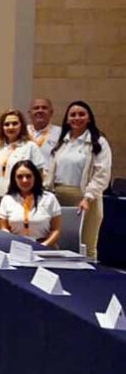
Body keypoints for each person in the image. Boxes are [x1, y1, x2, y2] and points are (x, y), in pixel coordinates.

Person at [46, 101, 112, 259]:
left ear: (89, 118)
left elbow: (101, 173)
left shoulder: (99, 142)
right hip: (59, 197)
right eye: (73, 115)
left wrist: (88, 197)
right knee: (62, 243)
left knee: (86, 244)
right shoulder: (62, 142)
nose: (77, 118)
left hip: (86, 199)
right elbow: (51, 172)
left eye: (81, 114)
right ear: (67, 119)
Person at [0, 160, 61, 247]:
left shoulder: (49, 198)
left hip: (45, 247)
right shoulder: (7, 199)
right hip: (16, 247)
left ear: (35, 177)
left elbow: (56, 229)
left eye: (28, 176)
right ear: (14, 179)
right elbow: (4, 228)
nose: (24, 180)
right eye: (20, 177)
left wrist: (42, 246)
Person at [0, 109, 45, 198]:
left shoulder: (30, 146)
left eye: (15, 123)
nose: (11, 127)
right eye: (6, 124)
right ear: (2, 127)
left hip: (22, 197)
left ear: (21, 126)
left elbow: (39, 174)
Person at [27, 98, 61, 165]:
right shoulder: (22, 131)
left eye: (44, 108)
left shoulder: (60, 133)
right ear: (29, 113)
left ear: (51, 112)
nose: (40, 110)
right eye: (36, 108)